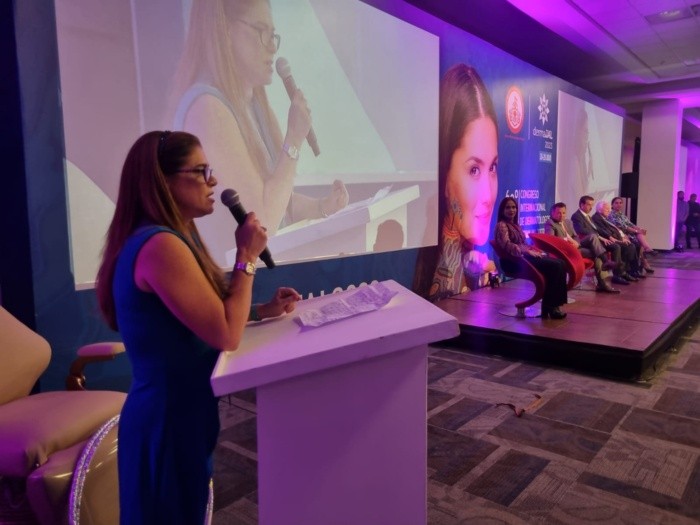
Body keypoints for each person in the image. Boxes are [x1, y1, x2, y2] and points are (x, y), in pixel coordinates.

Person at [95, 131, 301, 524]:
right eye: (201, 171)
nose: (214, 180)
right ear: (164, 181)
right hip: (166, 422)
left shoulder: (170, 238)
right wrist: (247, 256)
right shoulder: (160, 246)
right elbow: (225, 334)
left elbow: (201, 318)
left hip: (181, 414)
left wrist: (262, 310)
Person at [169, 0, 349, 266]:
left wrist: (323, 207)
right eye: (260, 31)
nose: (272, 47)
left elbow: (275, 202)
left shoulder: (253, 106)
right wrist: (294, 139)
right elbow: (262, 223)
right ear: (225, 31)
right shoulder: (207, 108)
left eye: (272, 35)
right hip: (226, 281)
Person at [427, 64, 498, 301]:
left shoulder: (474, 262)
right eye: (474, 170)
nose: (488, 196)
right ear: (444, 174)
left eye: (493, 168)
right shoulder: (441, 279)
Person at [494, 197, 568, 319]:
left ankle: (553, 305)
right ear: (502, 210)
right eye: (508, 207)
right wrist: (526, 251)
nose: (511, 210)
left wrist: (533, 250)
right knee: (555, 266)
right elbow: (507, 245)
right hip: (513, 262)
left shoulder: (515, 225)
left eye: (514, 207)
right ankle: (552, 308)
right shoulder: (501, 225)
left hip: (523, 258)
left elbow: (523, 244)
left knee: (561, 263)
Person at [545, 202, 619, 293]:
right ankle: (604, 279)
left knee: (593, 237)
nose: (561, 215)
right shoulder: (550, 223)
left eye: (563, 213)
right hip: (565, 250)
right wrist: (568, 242)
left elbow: (575, 236)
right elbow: (552, 240)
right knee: (597, 254)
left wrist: (576, 242)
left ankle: (603, 283)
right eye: (558, 213)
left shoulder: (568, 222)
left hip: (576, 246)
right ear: (552, 213)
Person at [571, 195, 632, 286]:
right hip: (585, 241)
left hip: (596, 240)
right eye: (589, 205)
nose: (591, 207)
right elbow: (582, 230)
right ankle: (609, 264)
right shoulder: (576, 216)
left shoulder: (588, 216)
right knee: (598, 240)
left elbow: (597, 228)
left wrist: (607, 236)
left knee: (616, 246)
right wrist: (599, 237)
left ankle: (619, 273)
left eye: (592, 205)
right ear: (581, 205)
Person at [591, 201, 644, 279]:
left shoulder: (604, 217)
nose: (609, 211)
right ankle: (619, 274)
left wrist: (622, 237)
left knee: (632, 245)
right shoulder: (596, 218)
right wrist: (619, 239)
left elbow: (614, 229)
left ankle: (630, 271)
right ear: (599, 210)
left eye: (609, 209)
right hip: (605, 240)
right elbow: (603, 231)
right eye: (607, 209)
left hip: (614, 238)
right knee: (625, 246)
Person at [609, 196, 655, 273]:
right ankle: (644, 262)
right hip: (621, 234)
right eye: (616, 203)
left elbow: (630, 224)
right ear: (612, 205)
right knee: (638, 241)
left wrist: (639, 229)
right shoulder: (611, 215)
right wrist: (637, 231)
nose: (619, 205)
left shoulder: (621, 214)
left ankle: (646, 252)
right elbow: (624, 227)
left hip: (628, 233)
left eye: (620, 203)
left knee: (640, 237)